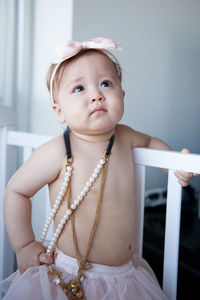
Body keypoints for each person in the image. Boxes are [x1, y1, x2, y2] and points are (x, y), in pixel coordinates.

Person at [0, 37, 196, 300]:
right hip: (70, 274)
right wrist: (24, 245)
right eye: (79, 88)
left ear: (122, 95)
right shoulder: (58, 150)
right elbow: (16, 191)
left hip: (127, 278)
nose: (96, 94)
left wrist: (172, 165)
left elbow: (151, 143)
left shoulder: (126, 137)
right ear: (59, 111)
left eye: (105, 83)